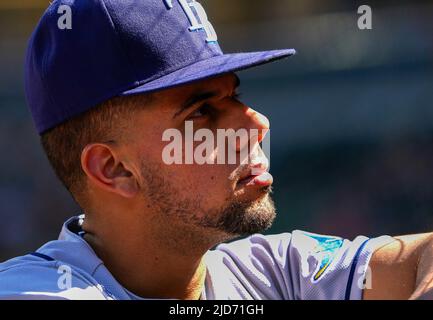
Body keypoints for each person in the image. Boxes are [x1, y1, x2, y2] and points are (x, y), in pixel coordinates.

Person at [0, 0, 432, 300]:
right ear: (114, 168)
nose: (255, 122)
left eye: (235, 96)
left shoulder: (273, 269)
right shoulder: (34, 288)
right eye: (203, 110)